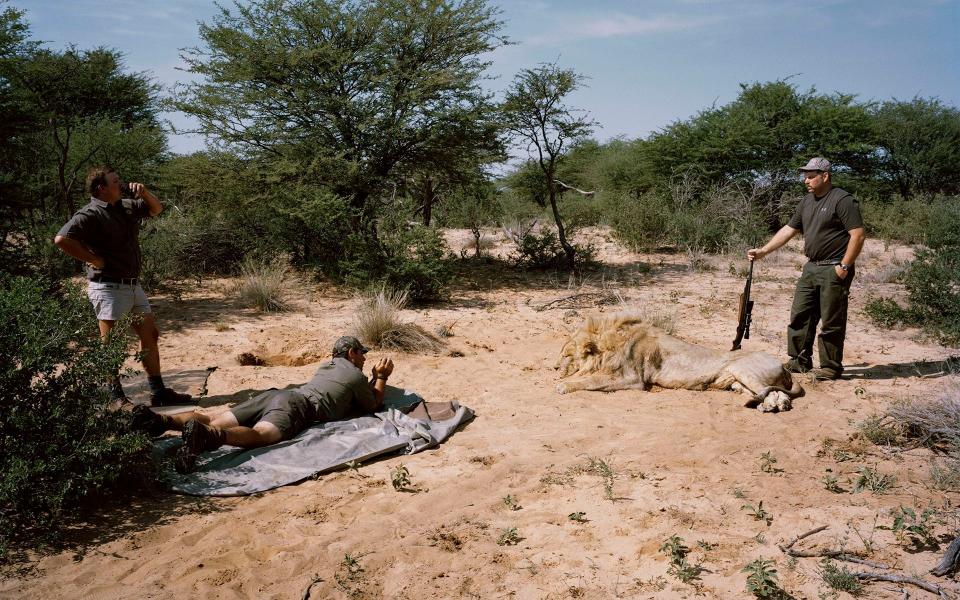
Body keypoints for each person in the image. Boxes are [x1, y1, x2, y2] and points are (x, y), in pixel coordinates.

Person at [132, 336, 395, 473]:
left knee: (212, 416)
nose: (364, 358)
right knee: (262, 434)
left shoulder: (326, 365)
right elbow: (373, 404)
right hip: (296, 405)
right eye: (362, 353)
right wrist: (379, 377)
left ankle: (159, 421)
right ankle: (210, 438)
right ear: (351, 353)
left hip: (277, 394)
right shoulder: (354, 373)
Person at [54, 166, 193, 406]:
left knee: (150, 334)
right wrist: (92, 258)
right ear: (101, 188)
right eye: (115, 182)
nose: (122, 184)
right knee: (112, 343)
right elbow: (62, 239)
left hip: (132, 285)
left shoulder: (126, 206)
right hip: (108, 286)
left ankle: (158, 393)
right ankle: (114, 398)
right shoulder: (90, 213)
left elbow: (156, 209)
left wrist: (145, 192)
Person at [747, 157, 866, 380]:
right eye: (805, 176)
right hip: (811, 267)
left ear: (825, 176)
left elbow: (857, 235)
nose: (806, 181)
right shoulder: (806, 201)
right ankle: (799, 360)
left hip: (834, 268)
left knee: (831, 320)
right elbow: (789, 230)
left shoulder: (842, 200)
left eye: (811, 176)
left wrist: (844, 266)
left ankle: (830, 367)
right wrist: (764, 251)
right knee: (800, 315)